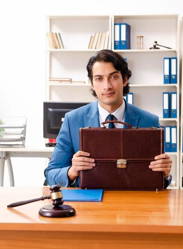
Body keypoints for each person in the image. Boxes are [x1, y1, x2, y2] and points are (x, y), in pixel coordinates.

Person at [44, 49, 172, 188]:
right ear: (92, 83)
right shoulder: (72, 120)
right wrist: (72, 171)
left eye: (114, 77)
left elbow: (159, 180)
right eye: (99, 78)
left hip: (133, 201)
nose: (107, 86)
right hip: (89, 203)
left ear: (125, 79)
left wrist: (165, 174)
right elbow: (51, 174)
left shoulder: (149, 121)